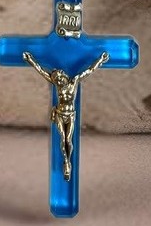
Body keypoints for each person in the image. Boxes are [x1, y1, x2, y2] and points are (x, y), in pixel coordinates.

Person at [22, 50, 109, 180]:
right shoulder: (57, 86)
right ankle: (67, 163)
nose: (57, 80)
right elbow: (40, 70)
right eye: (55, 79)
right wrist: (30, 60)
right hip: (60, 114)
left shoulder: (74, 82)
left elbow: (89, 70)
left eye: (58, 78)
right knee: (63, 140)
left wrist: (100, 60)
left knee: (69, 140)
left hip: (70, 115)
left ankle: (68, 160)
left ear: (63, 75)